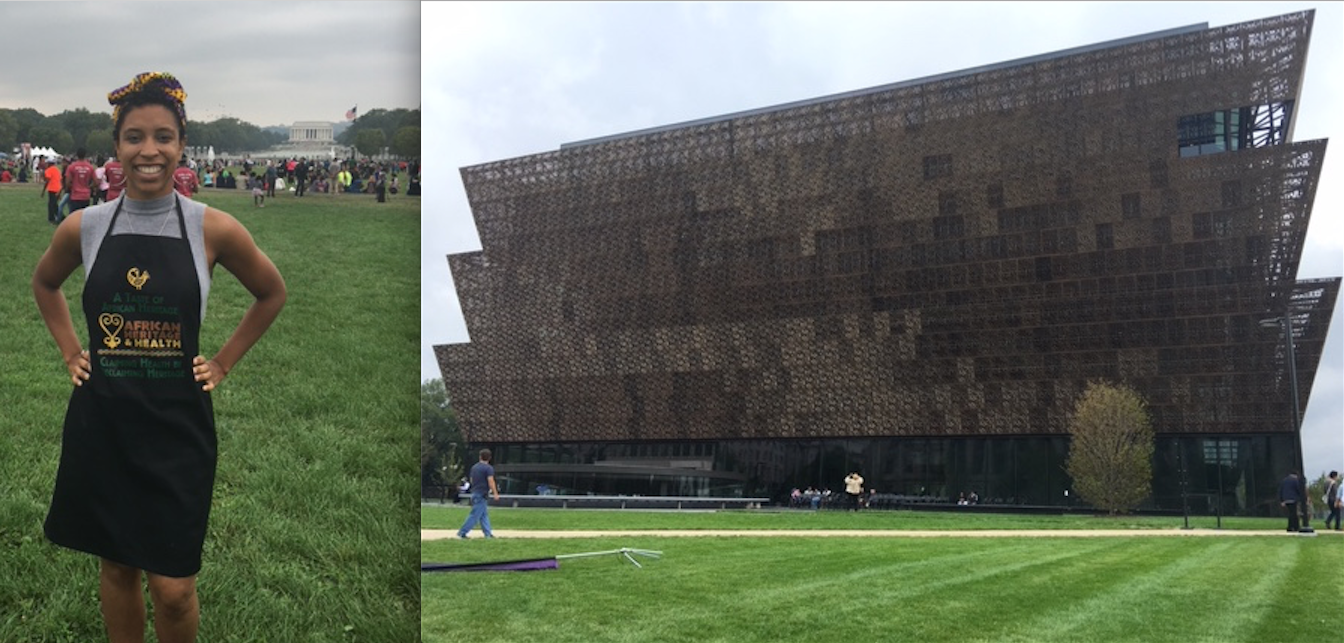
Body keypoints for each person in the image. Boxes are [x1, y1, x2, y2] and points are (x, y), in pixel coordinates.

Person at [31, 71, 287, 643]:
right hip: (104, 423)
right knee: (116, 566)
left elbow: (272, 293)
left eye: (164, 137)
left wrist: (221, 361)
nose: (149, 151)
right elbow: (45, 285)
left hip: (176, 430)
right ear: (116, 146)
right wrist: (71, 349)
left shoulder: (212, 228)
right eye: (135, 137)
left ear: (181, 146)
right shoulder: (86, 226)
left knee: (174, 590)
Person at [457, 449, 500, 538]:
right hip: (482, 494)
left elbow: (472, 480)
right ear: (489, 458)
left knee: (483, 514)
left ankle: (488, 534)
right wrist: (495, 493)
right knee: (475, 515)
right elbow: (491, 481)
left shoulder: (474, 467)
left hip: (475, 492)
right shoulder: (489, 468)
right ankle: (462, 532)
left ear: (480, 457)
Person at [64, 148, 98, 213]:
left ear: (77, 155)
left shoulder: (71, 167)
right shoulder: (90, 167)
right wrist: (88, 187)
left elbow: (67, 183)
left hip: (75, 196)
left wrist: (74, 187)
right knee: (83, 217)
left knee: (74, 217)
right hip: (86, 196)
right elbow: (96, 182)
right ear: (85, 155)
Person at [40, 157, 63, 224]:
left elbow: (47, 181)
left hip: (52, 189)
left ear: (49, 164)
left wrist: (43, 191)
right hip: (58, 188)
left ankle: (51, 218)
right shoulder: (57, 170)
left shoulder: (48, 170)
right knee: (55, 204)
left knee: (51, 205)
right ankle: (61, 217)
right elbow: (60, 180)